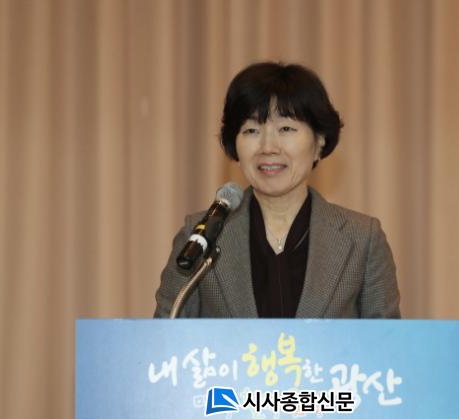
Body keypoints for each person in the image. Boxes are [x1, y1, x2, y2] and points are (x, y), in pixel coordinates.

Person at [154, 62, 400, 318]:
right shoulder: (200, 238)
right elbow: (165, 334)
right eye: (251, 130)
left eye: (286, 129)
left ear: (319, 141)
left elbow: (386, 340)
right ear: (234, 145)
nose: (268, 147)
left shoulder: (362, 240)